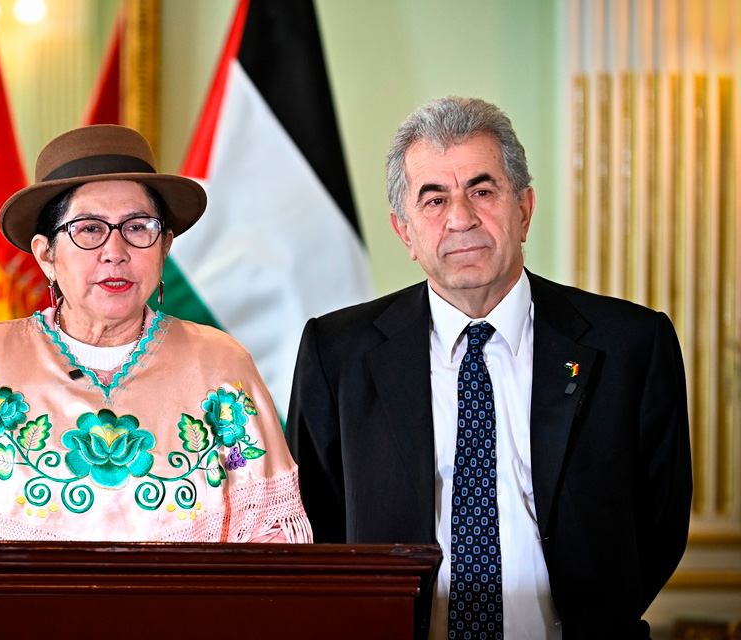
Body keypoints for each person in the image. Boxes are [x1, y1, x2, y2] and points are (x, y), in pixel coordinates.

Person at [286, 96, 692, 639]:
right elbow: (315, 527)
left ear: (523, 209)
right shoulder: (336, 354)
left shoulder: (632, 346)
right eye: (434, 200)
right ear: (404, 230)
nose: (461, 219)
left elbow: (659, 526)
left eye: (482, 190)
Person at [0, 125, 310, 542]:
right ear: (46, 255)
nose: (115, 252)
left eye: (138, 227)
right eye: (88, 229)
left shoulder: (221, 367)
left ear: (165, 248)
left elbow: (269, 541)